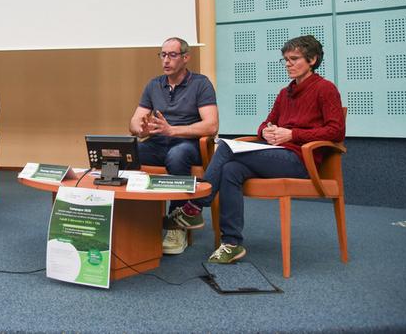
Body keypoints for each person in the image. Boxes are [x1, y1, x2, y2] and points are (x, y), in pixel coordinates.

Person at [171, 35, 345, 264]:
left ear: (312, 60)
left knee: (225, 148)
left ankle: (195, 206)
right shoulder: (286, 93)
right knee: (231, 169)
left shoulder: (325, 89)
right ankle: (231, 243)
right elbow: (265, 123)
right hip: (278, 153)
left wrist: (293, 134)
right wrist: (266, 132)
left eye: (294, 59)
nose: (288, 64)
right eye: (285, 60)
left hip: (301, 160)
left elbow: (336, 131)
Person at [129, 37, 219, 256]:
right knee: (129, 152)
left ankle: (176, 226)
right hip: (158, 142)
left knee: (177, 156)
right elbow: (133, 122)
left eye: (172, 55)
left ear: (186, 58)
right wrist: (142, 130)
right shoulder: (154, 84)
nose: (166, 60)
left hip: (187, 143)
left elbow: (212, 125)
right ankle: (134, 221)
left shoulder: (201, 83)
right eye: (163, 55)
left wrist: (174, 131)